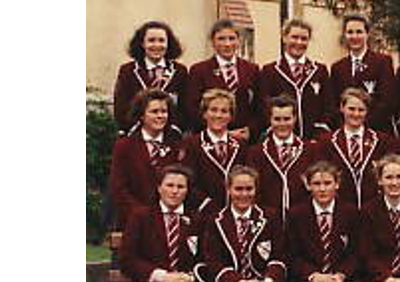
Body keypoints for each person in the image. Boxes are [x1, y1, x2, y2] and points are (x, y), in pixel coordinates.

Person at [108, 88, 183, 230]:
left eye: (164, 111)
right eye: (154, 112)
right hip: (133, 220)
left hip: (170, 220)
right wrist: (141, 214)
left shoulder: (177, 145)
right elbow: (119, 187)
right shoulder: (124, 146)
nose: (160, 116)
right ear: (141, 115)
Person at [256, 19, 332, 139]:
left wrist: (320, 134)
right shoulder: (270, 71)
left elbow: (328, 106)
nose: (299, 42)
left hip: (312, 141)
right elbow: (264, 107)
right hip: (281, 140)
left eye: (304, 39)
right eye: (294, 37)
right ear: (284, 38)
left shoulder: (319, 71)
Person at [316, 88, 390, 210]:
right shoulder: (326, 142)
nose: (356, 114)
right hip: (340, 209)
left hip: (372, 209)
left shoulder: (382, 141)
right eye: (351, 109)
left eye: (361, 110)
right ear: (342, 108)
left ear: (367, 112)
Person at [246, 95, 316, 221]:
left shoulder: (309, 150)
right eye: (277, 119)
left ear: (295, 118)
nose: (282, 124)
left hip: (301, 220)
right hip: (269, 220)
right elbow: (254, 189)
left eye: (286, 119)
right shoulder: (256, 152)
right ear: (270, 120)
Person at [179, 88, 247, 218]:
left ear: (231, 116)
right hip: (204, 214)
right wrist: (206, 205)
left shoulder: (241, 145)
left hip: (236, 213)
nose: (218, 115)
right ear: (204, 114)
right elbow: (187, 181)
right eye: (213, 110)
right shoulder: (191, 144)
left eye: (224, 111)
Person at [185, 19, 259, 139]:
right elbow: (192, 107)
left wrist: (250, 130)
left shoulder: (252, 69)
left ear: (238, 40)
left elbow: (258, 105)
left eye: (231, 38)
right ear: (213, 42)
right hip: (210, 138)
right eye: (221, 39)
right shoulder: (199, 70)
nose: (227, 44)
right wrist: (219, 131)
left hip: (243, 139)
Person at [114, 20, 189, 134]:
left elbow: (184, 107)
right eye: (151, 40)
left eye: (161, 41)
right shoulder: (128, 71)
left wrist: (174, 129)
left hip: (170, 135)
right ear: (142, 43)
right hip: (136, 135)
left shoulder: (180, 71)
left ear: (169, 43)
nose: (156, 45)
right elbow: (121, 107)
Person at [329, 14, 398, 133]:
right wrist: (347, 126)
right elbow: (334, 103)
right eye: (350, 32)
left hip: (377, 130)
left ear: (367, 34)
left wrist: (361, 125)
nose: (354, 36)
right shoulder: (337, 67)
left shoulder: (382, 62)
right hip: (346, 132)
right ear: (345, 35)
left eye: (359, 32)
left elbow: (387, 101)